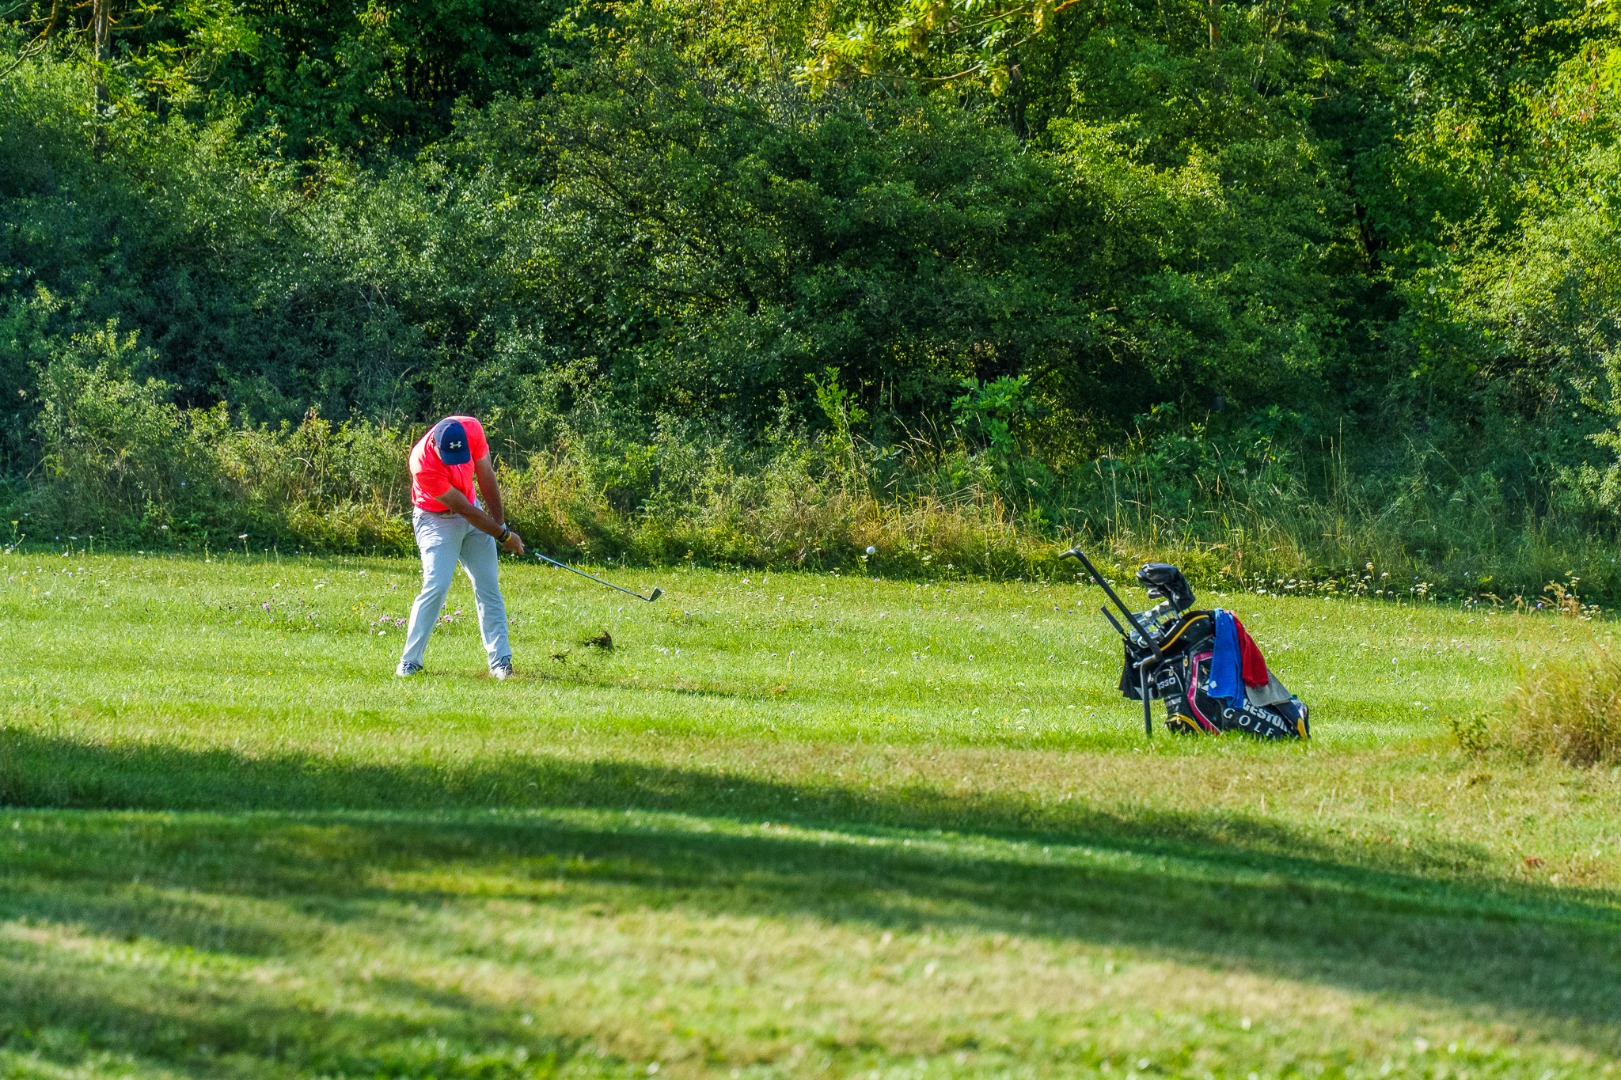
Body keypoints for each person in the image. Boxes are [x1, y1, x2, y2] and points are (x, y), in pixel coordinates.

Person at [397, 415, 525, 679]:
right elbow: (462, 509)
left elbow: (486, 476)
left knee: (488, 584)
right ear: (435, 446)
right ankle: (410, 662)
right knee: (437, 585)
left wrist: (500, 524)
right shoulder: (421, 463)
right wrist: (503, 537)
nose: (456, 464)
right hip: (435, 519)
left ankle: (501, 662)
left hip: (472, 509)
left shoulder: (472, 428)